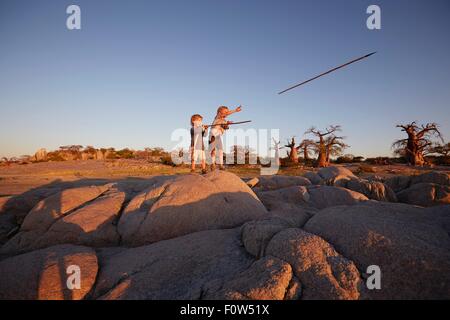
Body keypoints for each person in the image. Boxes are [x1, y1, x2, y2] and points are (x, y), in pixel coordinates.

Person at [209, 105, 242, 170]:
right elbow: (226, 114)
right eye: (225, 112)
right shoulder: (217, 117)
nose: (227, 113)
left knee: (221, 150)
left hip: (218, 136)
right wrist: (235, 110)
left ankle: (221, 165)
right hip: (213, 134)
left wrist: (227, 124)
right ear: (219, 112)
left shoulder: (224, 120)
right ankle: (213, 164)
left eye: (227, 112)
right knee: (213, 150)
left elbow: (226, 128)